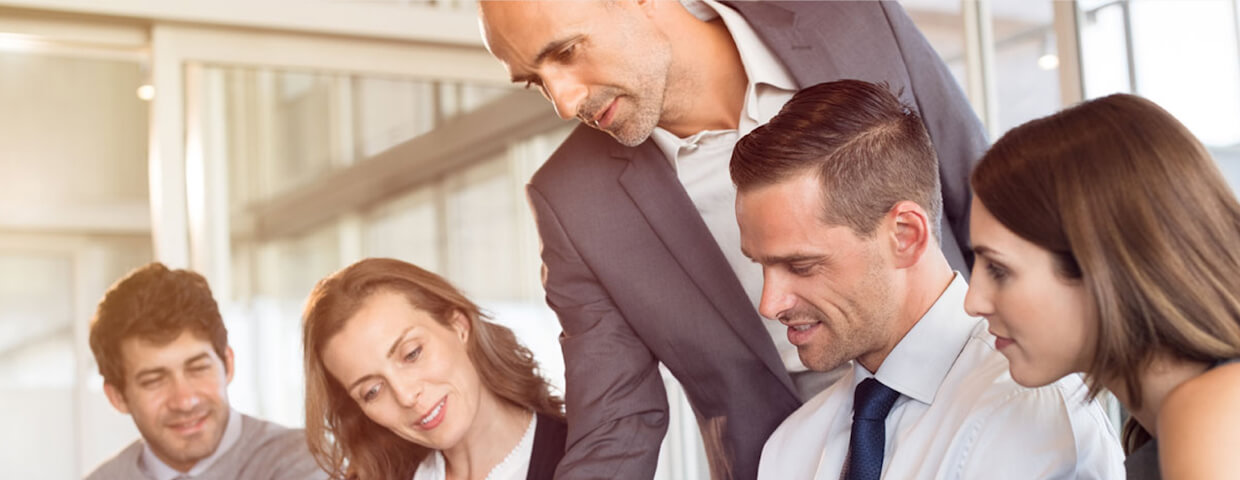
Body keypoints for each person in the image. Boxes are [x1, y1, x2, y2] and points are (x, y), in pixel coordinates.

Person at [476, 1, 988, 478]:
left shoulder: (848, 17)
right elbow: (615, 424)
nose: (564, 102)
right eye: (534, 83)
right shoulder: (574, 198)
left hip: (981, 405)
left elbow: (988, 203)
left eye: (566, 52)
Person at [733, 80, 1124, 479]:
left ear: (905, 235)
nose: (770, 303)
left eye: (801, 266)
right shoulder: (790, 449)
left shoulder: (1031, 410)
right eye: (760, 265)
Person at [964, 94, 1240, 479]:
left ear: (1101, 264)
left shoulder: (1209, 413)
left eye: (998, 269)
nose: (973, 301)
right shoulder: (1161, 426)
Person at [302, 257, 567, 480]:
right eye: (372, 391)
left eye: (412, 354)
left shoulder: (587, 458)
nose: (405, 396)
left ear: (459, 326)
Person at [85, 262, 325, 480]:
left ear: (228, 365)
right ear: (117, 397)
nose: (185, 400)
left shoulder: (304, 462)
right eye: (154, 381)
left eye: (198, 368)